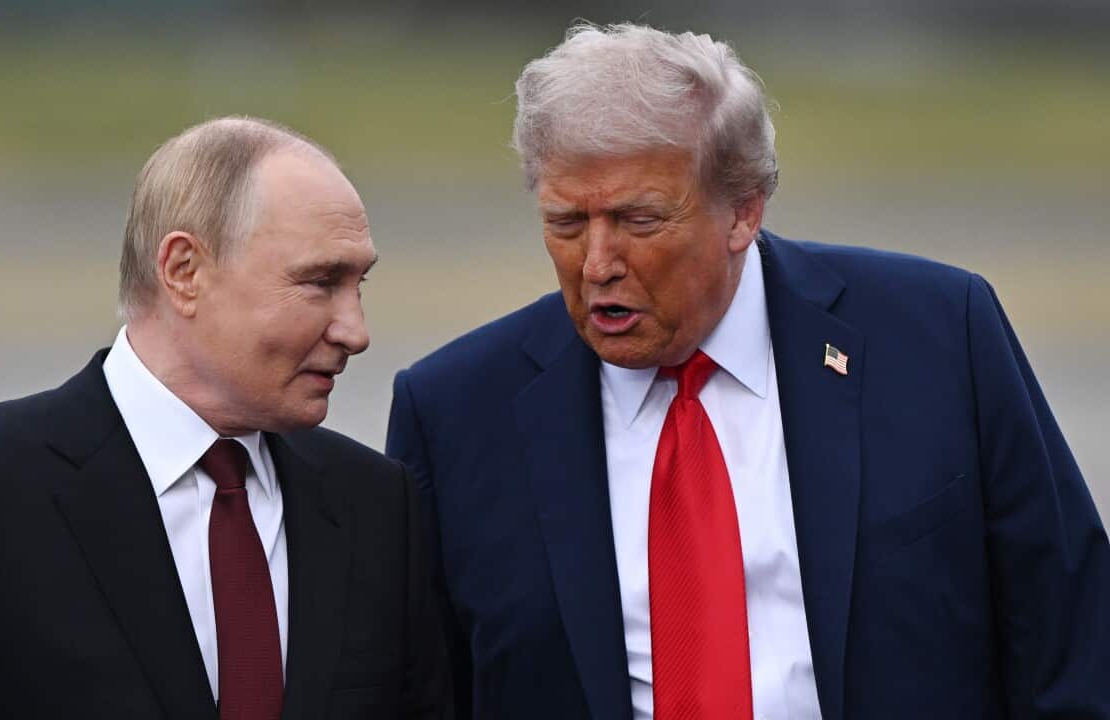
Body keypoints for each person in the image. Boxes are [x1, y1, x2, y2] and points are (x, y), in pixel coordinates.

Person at [386, 23, 1110, 720]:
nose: (597, 264)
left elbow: (1073, 646)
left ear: (743, 212)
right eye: (567, 223)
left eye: (640, 221)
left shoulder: (939, 336)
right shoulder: (454, 413)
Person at [0, 116, 450, 719]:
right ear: (184, 272)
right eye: (320, 283)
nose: (356, 331)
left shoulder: (376, 506)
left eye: (358, 285)